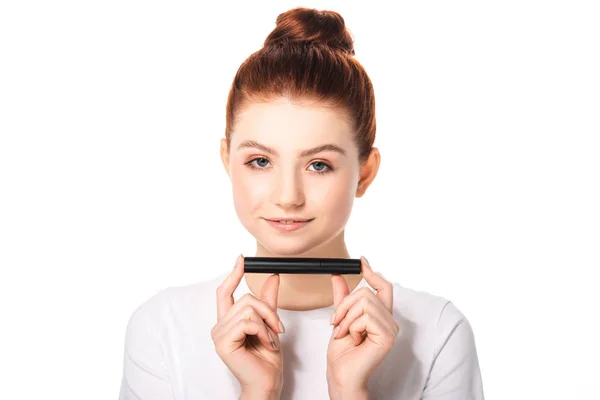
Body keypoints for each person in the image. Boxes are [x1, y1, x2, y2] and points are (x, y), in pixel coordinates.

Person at [118, 7, 484, 400]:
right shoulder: (162, 328)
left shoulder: (437, 334)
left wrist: (349, 391)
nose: (288, 196)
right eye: (260, 161)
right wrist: (258, 391)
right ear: (228, 161)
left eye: (318, 165)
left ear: (365, 173)